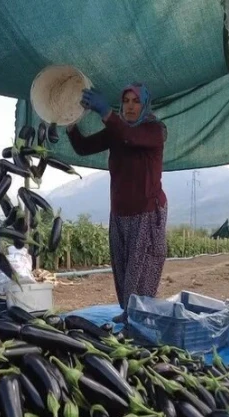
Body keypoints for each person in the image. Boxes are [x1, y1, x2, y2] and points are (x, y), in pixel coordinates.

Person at [66, 83, 168, 323]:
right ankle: (128, 314)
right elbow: (83, 148)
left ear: (144, 105)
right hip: (120, 213)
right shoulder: (116, 131)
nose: (130, 106)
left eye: (136, 101)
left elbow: (130, 137)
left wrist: (105, 113)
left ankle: (141, 319)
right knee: (122, 271)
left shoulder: (154, 130)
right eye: (126, 101)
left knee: (140, 272)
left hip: (146, 213)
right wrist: (69, 123)